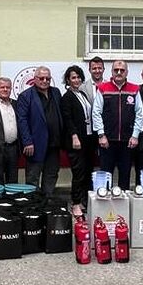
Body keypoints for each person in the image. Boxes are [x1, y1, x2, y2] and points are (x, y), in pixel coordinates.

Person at [92, 60, 143, 190]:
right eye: (116, 70)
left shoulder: (134, 89)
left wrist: (135, 135)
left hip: (128, 142)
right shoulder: (103, 88)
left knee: (125, 176)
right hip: (107, 141)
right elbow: (96, 113)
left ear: (127, 72)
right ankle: (105, 206)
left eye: (122, 70)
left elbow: (140, 114)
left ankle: (123, 207)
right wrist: (101, 134)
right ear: (112, 72)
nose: (119, 73)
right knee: (106, 176)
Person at [16, 66, 63, 195]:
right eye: (41, 78)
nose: (44, 81)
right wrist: (27, 142)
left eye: (47, 78)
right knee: (33, 178)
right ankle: (33, 207)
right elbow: (22, 120)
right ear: (34, 79)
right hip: (35, 145)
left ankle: (47, 202)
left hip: (54, 143)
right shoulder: (25, 96)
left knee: (51, 175)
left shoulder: (56, 92)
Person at [60, 66, 96, 216]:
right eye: (73, 78)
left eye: (78, 77)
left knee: (88, 172)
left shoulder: (82, 93)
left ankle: (84, 202)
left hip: (88, 139)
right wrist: (74, 136)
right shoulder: (67, 97)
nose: (76, 80)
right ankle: (75, 203)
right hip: (76, 141)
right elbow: (67, 119)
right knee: (78, 172)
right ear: (68, 80)